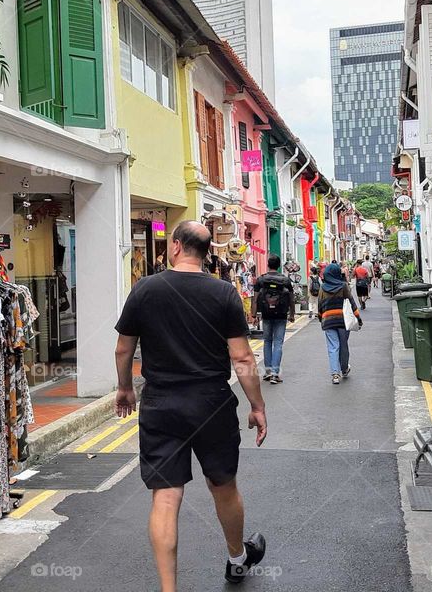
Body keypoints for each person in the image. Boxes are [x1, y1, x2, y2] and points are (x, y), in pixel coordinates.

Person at [113, 221, 267, 590]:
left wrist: (124, 389)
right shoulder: (224, 293)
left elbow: (123, 348)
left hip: (161, 402)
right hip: (211, 401)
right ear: (206, 251)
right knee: (223, 485)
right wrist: (257, 405)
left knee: (166, 496)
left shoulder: (144, 289)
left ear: (177, 246)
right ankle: (236, 558)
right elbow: (243, 359)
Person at [252, 255, 296, 384]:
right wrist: (292, 314)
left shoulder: (261, 280)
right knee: (278, 342)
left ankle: (267, 372)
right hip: (281, 314)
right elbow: (292, 299)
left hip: (266, 314)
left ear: (268, 264)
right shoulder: (285, 280)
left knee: (267, 341)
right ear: (279, 265)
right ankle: (275, 374)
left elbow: (255, 299)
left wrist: (254, 315)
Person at [318, 263, 362, 384]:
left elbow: (320, 304)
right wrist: (358, 317)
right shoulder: (343, 286)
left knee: (333, 347)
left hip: (328, 320)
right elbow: (352, 302)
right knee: (343, 345)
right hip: (343, 321)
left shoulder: (323, 287)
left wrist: (320, 317)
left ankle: (335, 374)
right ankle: (344, 369)